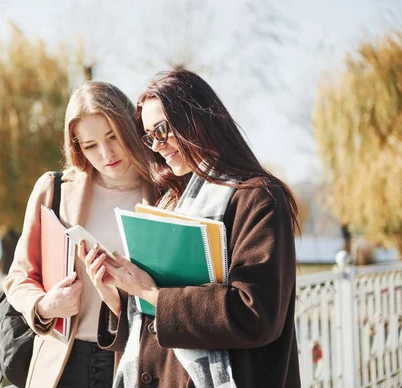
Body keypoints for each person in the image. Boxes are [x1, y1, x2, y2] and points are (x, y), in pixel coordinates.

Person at [83, 69, 301, 388]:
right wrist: (119, 297)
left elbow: (256, 314)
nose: (157, 145)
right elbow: (154, 327)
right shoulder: (171, 203)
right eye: (149, 136)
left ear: (196, 120)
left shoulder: (258, 198)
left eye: (163, 129)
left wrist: (149, 293)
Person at [3, 81, 158, 388]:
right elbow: (19, 277)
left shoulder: (164, 190)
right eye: (90, 145)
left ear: (131, 126)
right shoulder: (55, 189)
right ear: (77, 146)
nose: (106, 153)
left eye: (113, 136)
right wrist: (46, 306)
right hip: (61, 361)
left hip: (134, 361)